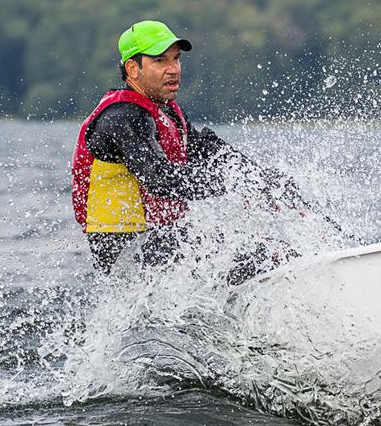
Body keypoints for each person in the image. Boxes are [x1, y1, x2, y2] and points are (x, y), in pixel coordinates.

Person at [71, 20, 301, 276]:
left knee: (274, 251)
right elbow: (158, 178)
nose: (173, 69)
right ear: (132, 69)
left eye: (176, 59)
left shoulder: (166, 111)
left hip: (163, 243)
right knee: (261, 257)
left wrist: (260, 180)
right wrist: (233, 183)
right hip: (128, 254)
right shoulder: (122, 117)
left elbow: (212, 152)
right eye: (160, 61)